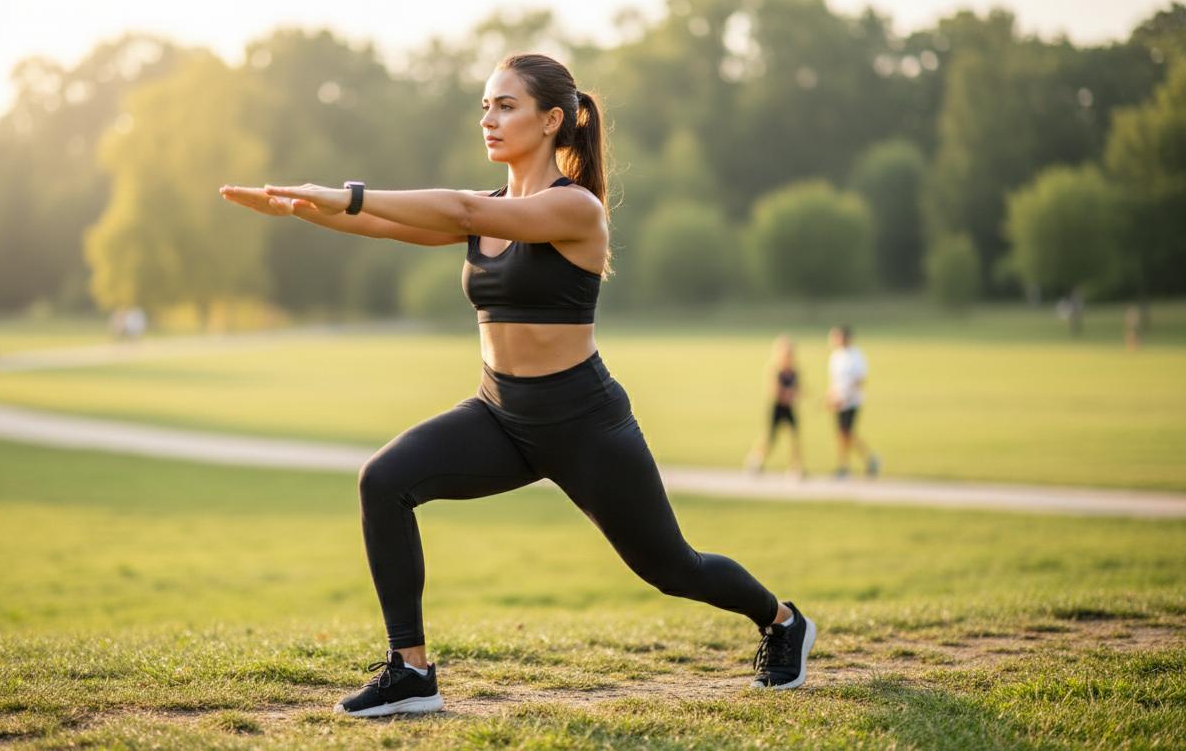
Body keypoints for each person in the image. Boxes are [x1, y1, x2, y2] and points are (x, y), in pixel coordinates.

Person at [220, 53, 815, 718]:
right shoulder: (490, 210)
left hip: (583, 424)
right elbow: (386, 224)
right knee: (383, 482)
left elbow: (458, 205)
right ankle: (410, 671)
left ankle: (782, 621)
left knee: (673, 568)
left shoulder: (575, 208)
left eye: (506, 106)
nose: (490, 120)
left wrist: (346, 190)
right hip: (499, 414)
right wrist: (301, 206)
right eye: (485, 107)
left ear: (552, 119)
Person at [744, 334, 804, 479]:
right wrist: (788, 395)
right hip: (777, 407)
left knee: (795, 436)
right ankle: (756, 460)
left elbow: (798, 388)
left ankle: (796, 467)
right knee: (770, 438)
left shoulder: (794, 371)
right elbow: (774, 391)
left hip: (789, 407)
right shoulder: (776, 370)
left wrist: (796, 394)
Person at [825, 325, 880, 478]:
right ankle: (848, 465)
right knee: (842, 434)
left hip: (852, 401)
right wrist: (831, 397)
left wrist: (845, 396)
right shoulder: (835, 356)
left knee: (847, 433)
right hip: (838, 401)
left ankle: (859, 462)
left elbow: (859, 380)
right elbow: (834, 381)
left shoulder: (856, 356)